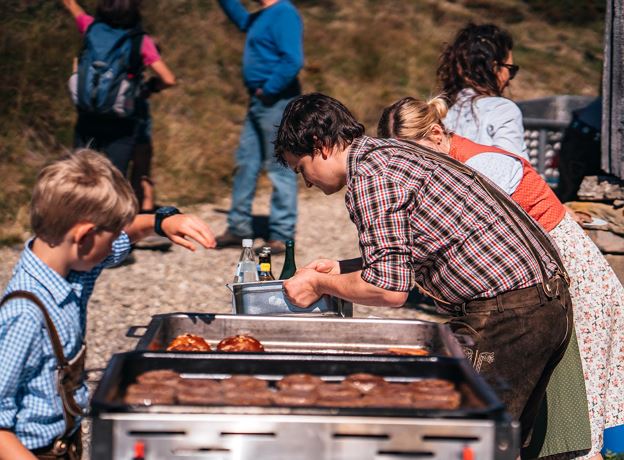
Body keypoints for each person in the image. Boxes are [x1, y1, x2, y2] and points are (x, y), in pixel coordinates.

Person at [275, 93, 572, 452]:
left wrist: (321, 284)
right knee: (501, 443)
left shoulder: (371, 176)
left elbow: (388, 290)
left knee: (461, 443)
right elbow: (411, 250)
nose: (305, 182)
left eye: (299, 168)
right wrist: (342, 268)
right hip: (539, 301)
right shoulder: (390, 155)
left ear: (320, 146)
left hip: (509, 313)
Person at [378, 95, 624, 460]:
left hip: (569, 271)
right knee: (553, 394)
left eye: (414, 155)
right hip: (542, 270)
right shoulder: (453, 167)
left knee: (579, 393)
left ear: (434, 134)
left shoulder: (485, 165)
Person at [0, 150, 216, 458]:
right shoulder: (24, 314)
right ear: (86, 236)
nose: (118, 246)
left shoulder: (72, 269)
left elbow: (126, 232)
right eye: (112, 237)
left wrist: (161, 222)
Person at [214, 0, 304, 254]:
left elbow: (293, 59)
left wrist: (269, 89)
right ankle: (238, 227)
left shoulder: (284, 12)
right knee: (246, 162)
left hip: (276, 100)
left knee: (280, 166)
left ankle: (282, 234)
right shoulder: (262, 16)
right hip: (259, 101)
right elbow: (241, 20)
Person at [61, 0, 176, 176]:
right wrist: (149, 89)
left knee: (80, 176)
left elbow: (70, 4)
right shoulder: (140, 41)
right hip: (120, 123)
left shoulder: (90, 27)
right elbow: (169, 79)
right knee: (115, 179)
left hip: (88, 117)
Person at [438, 23, 529, 160]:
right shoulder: (503, 110)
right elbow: (511, 171)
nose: (510, 78)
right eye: (510, 69)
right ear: (494, 67)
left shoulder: (441, 110)